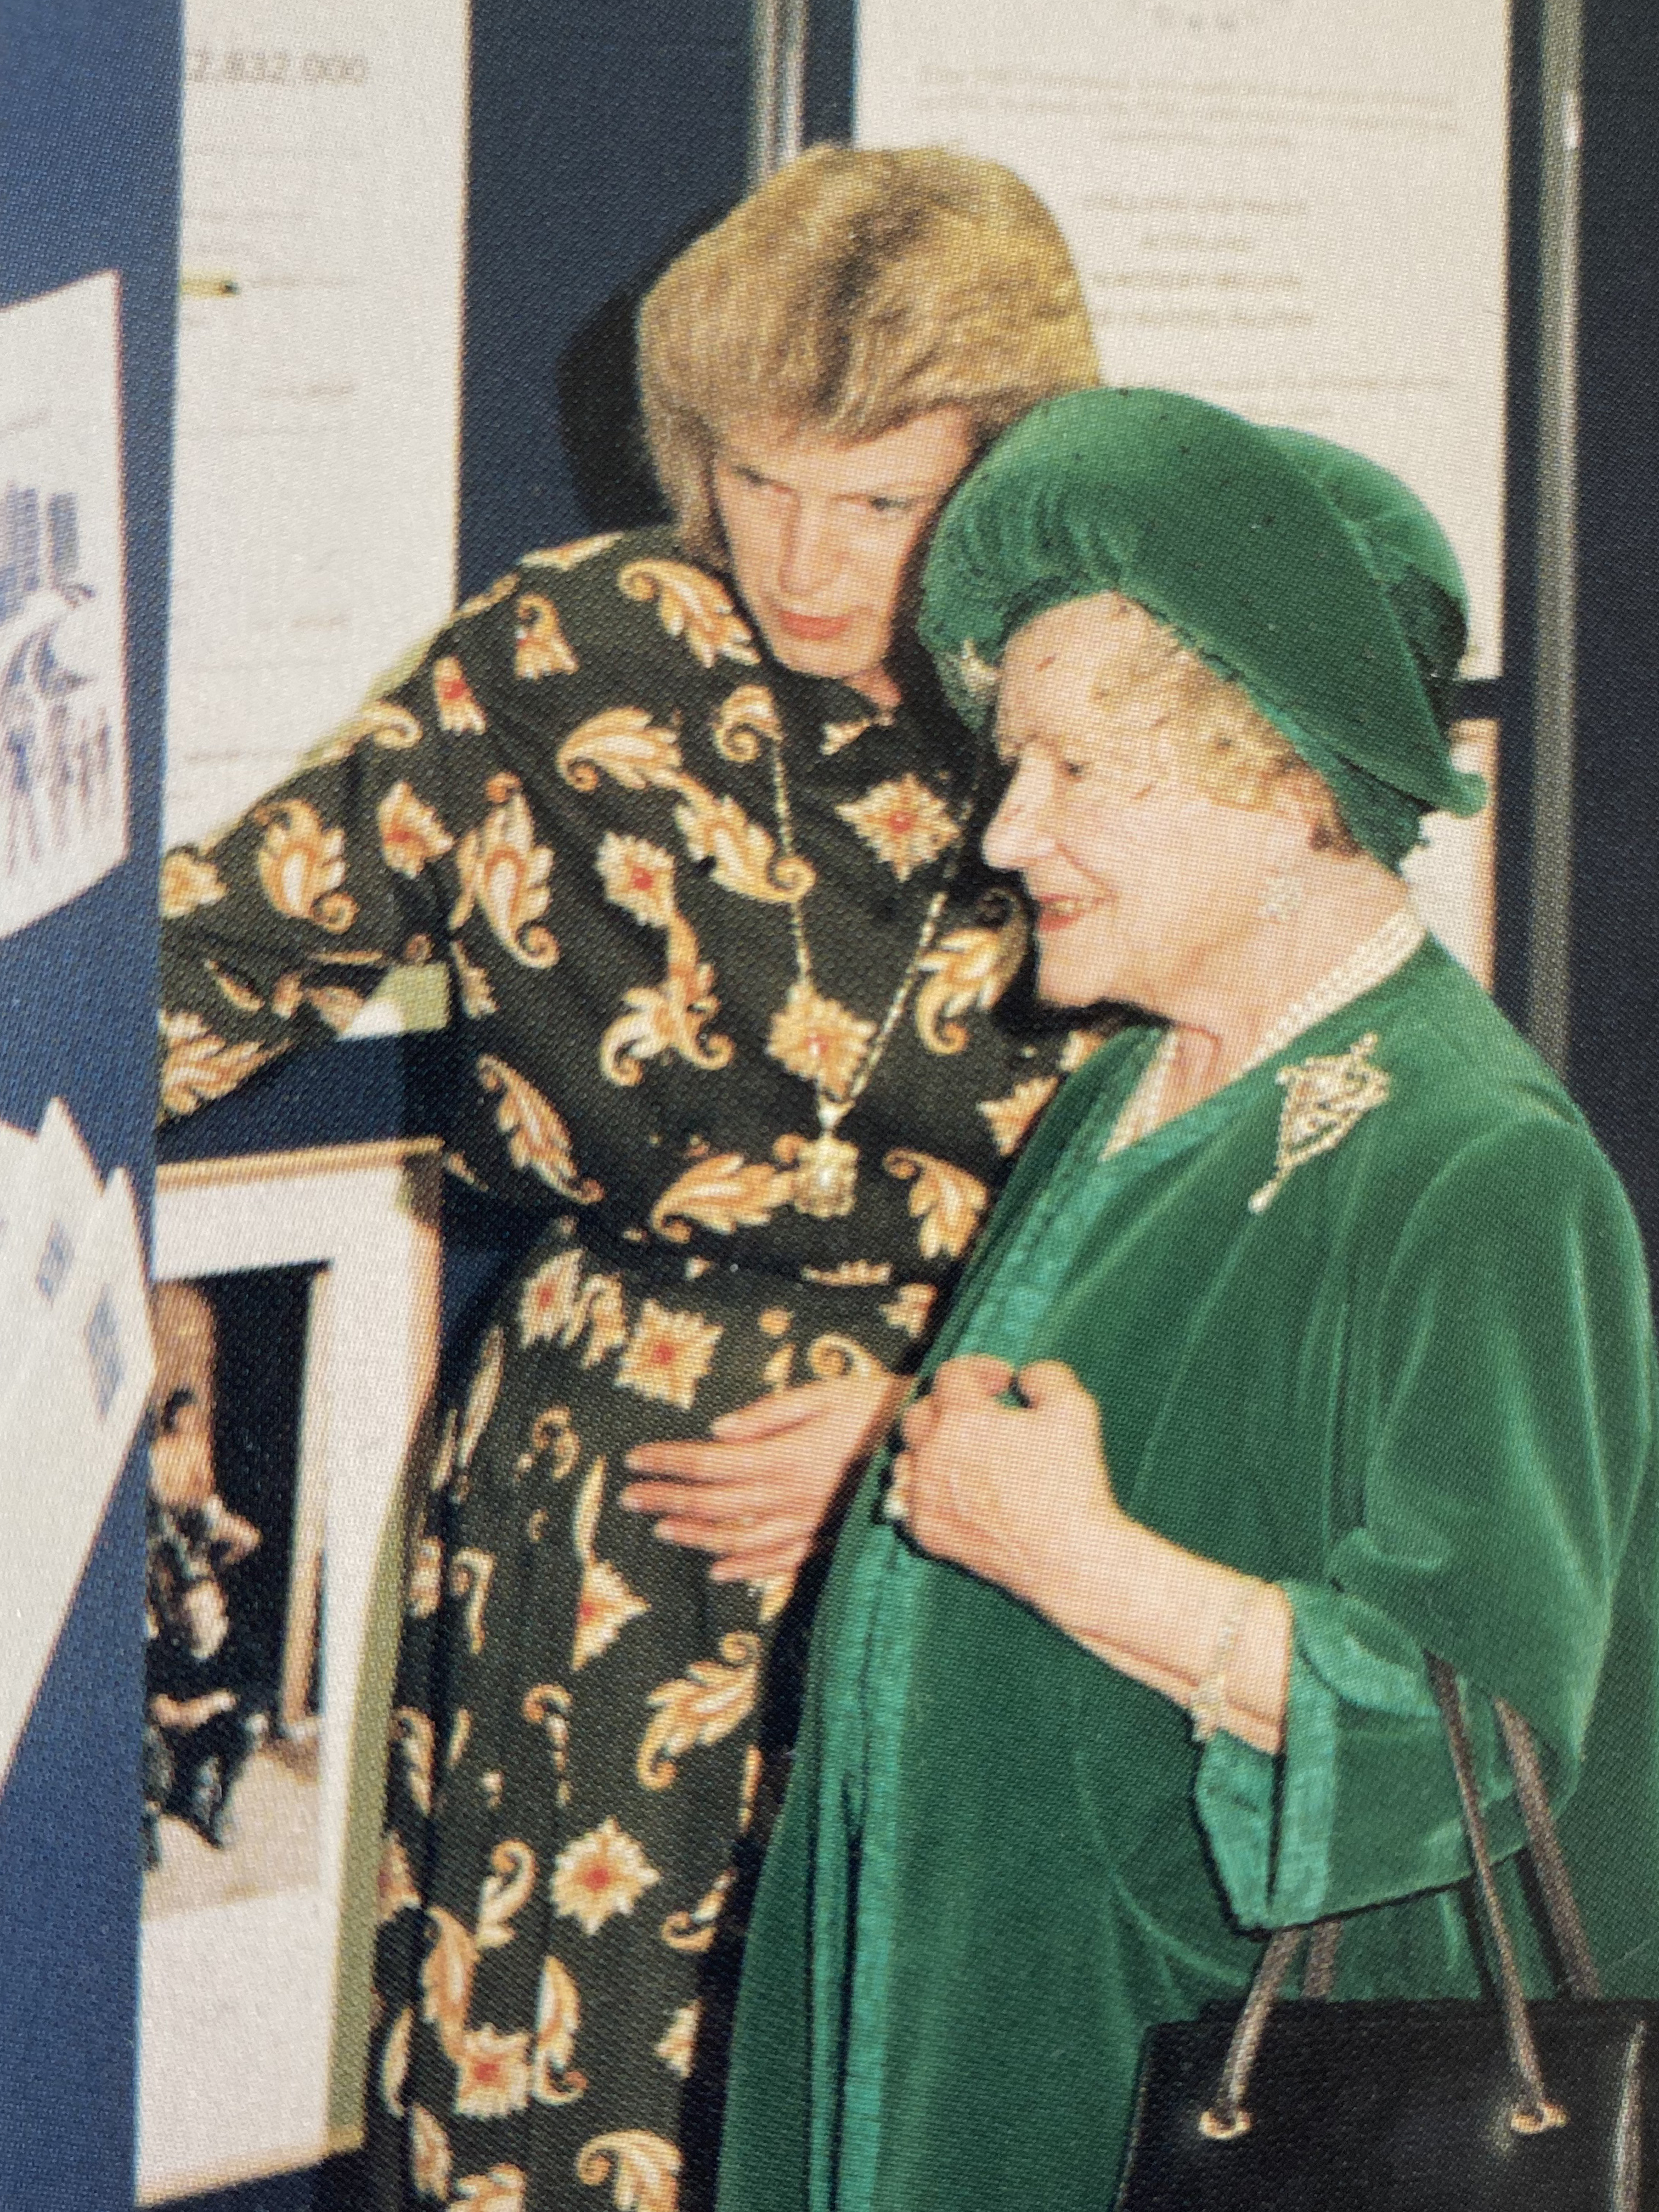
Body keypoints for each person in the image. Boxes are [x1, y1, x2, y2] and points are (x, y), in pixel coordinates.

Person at [157, 147, 1100, 2209]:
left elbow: (1220, 1146)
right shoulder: (571, 653)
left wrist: (930, 1422)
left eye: (882, 499)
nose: (808, 559)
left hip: (985, 1499)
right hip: (605, 1505)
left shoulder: (1095, 698)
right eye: (760, 478)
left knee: (901, 2104)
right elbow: (220, 956)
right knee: (553, 2123)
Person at [713, 387, 1659, 2212]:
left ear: (1283, 780)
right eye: (1016, 764)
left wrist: (1079, 1564)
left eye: (1076, 771)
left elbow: (1485, 1729)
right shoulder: (1129, 1086)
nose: (1007, 834)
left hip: (1179, 2090)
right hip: (967, 2029)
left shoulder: (1480, 1168)